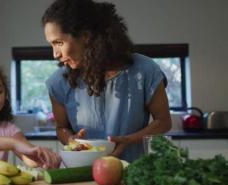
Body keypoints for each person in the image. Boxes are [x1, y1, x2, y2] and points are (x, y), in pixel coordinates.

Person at [42, 0, 172, 162]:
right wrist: (70, 139)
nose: (55, 54)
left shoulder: (145, 70)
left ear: (86, 36)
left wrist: (130, 140)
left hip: (131, 174)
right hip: (82, 178)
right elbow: (62, 128)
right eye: (52, 45)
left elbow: (164, 121)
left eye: (58, 43)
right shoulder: (58, 82)